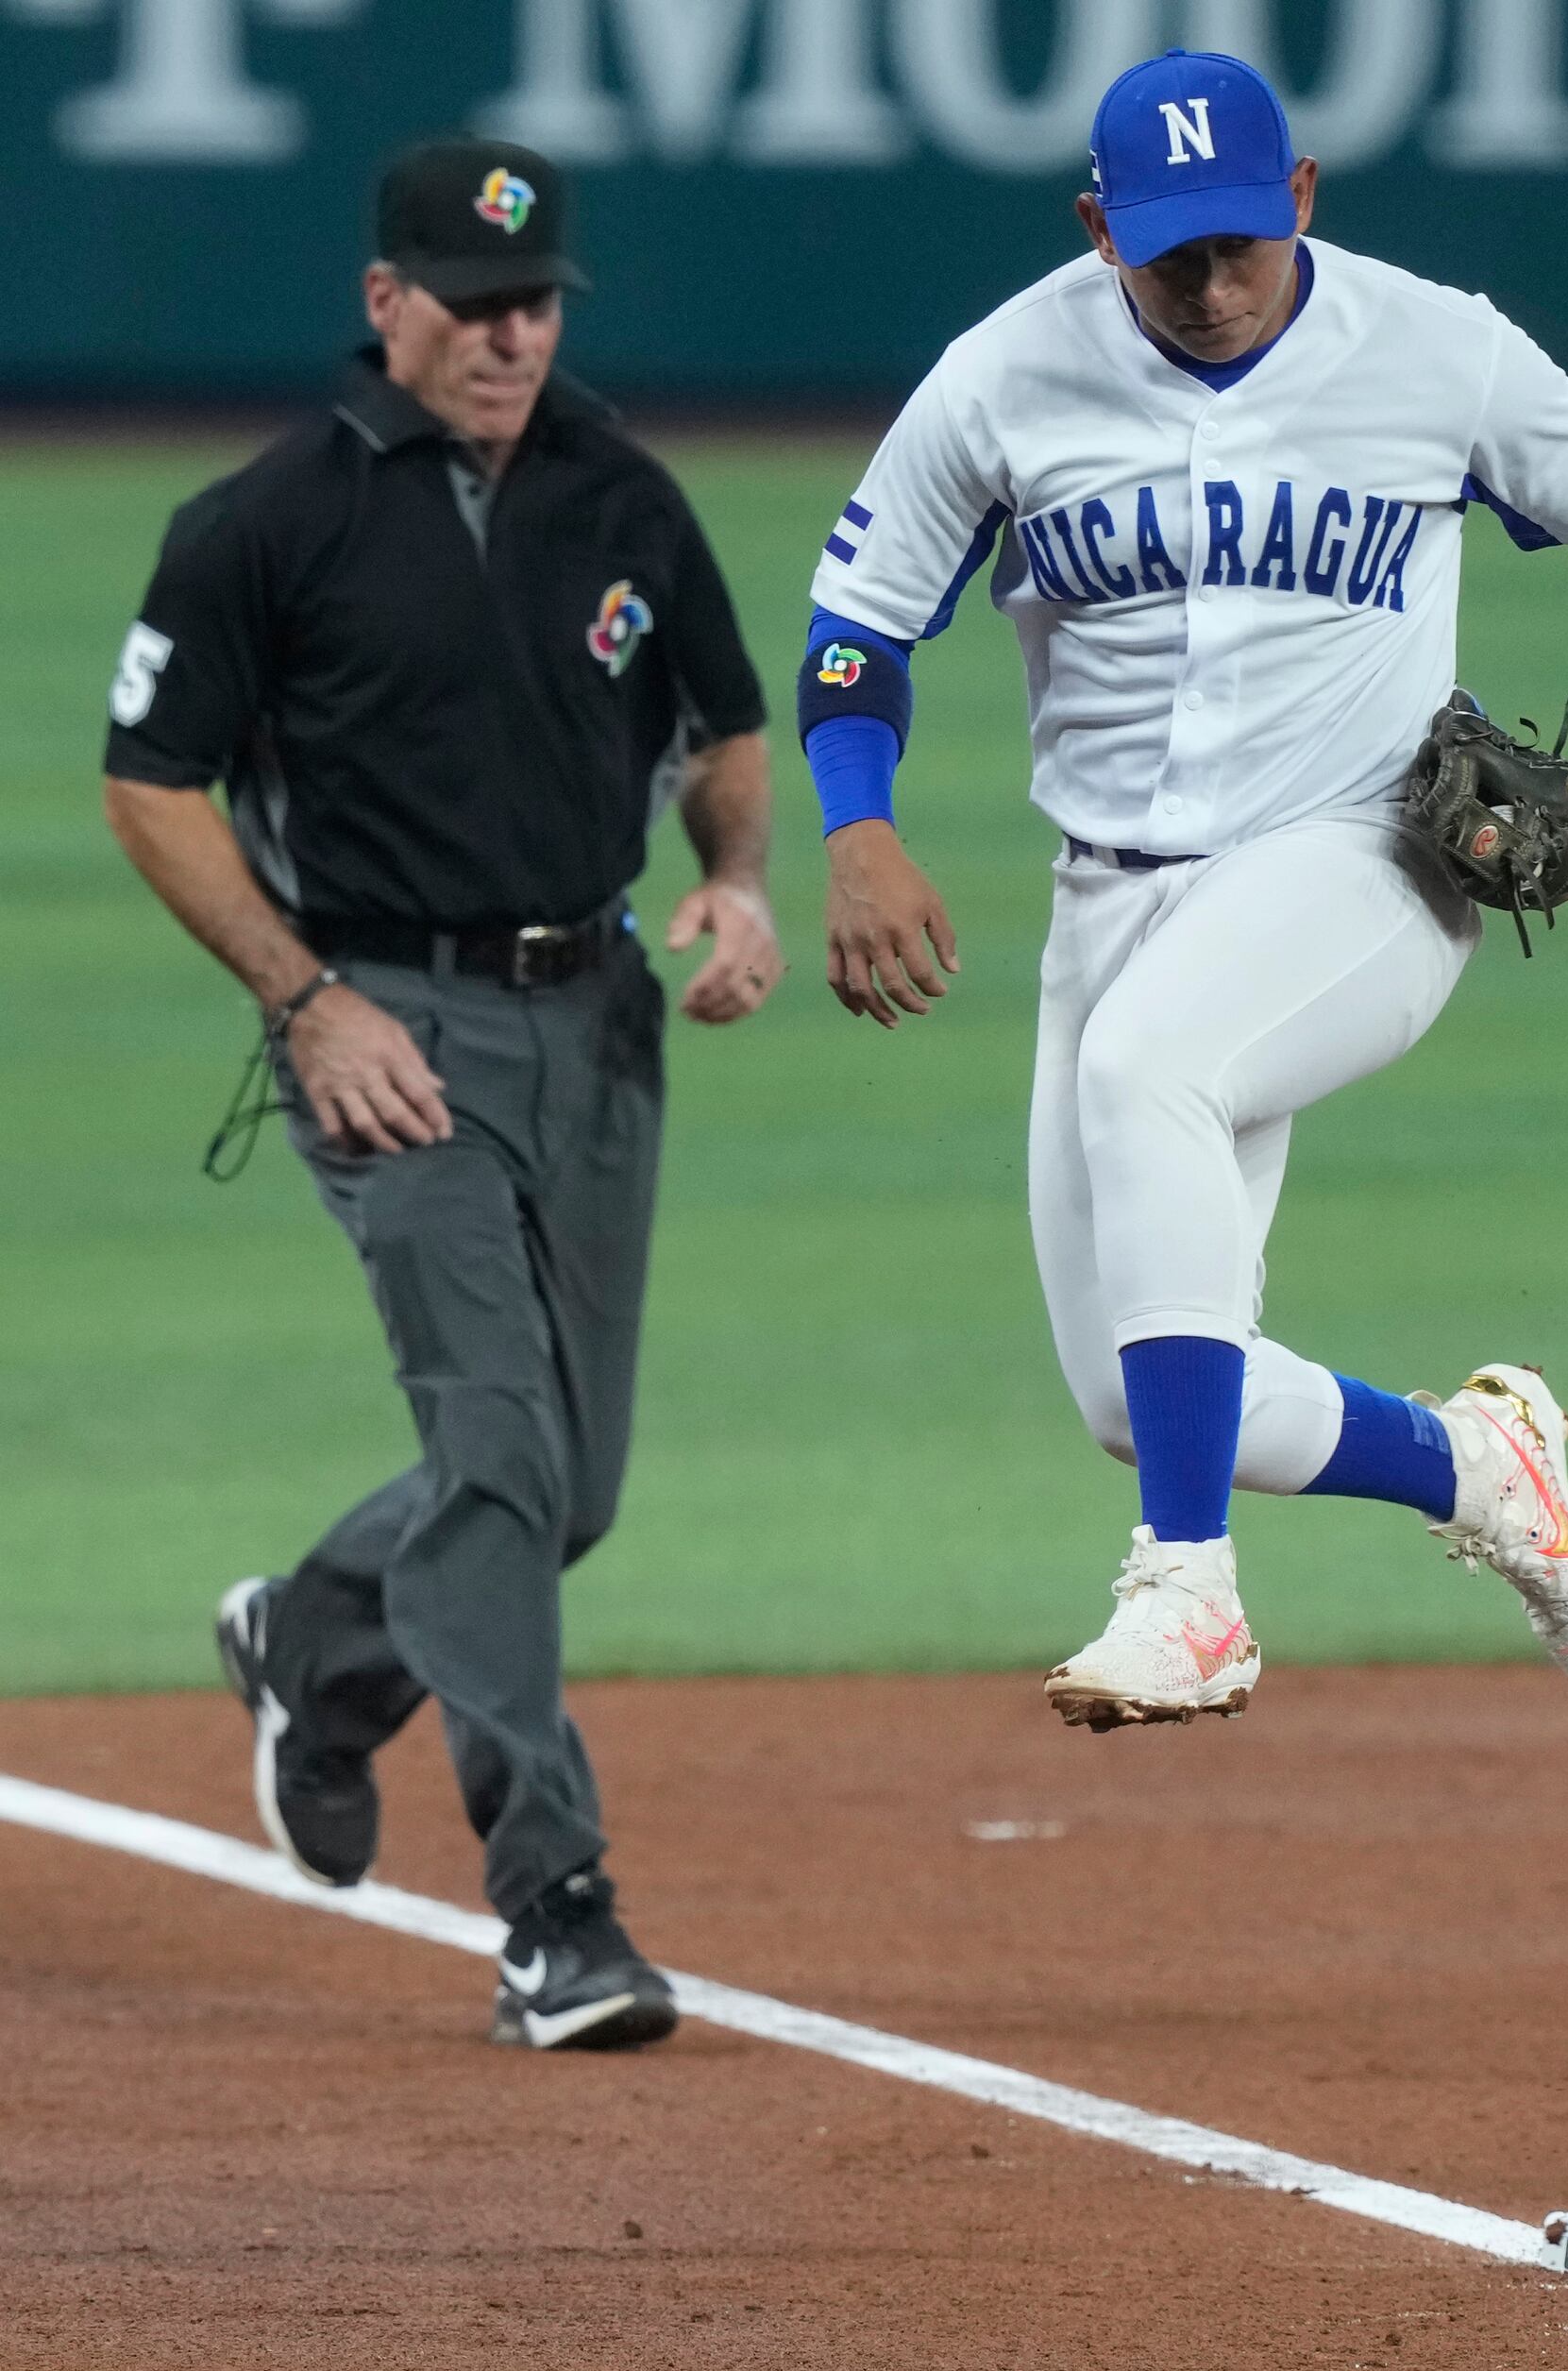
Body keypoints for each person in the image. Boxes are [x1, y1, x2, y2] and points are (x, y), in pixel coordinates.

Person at [796, 51, 1568, 1729]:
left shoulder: (1435, 347)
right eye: (1167, 255)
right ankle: (1482, 1468)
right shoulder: (1001, 375)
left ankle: (1190, 1596)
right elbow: (857, 632)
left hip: (1360, 866)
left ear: (1299, 197)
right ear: (1098, 229)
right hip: (1109, 898)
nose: (1210, 284)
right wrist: (859, 828)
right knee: (1137, 1393)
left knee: (1152, 1069)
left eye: (1237, 243)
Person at [101, 138, 778, 2051]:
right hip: (385, 1028)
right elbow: (149, 781)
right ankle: (558, 1913)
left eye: (535, 303)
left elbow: (723, 726)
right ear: (384, 300)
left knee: (568, 1487)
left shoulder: (623, 492)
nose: (510, 337)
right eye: (473, 306)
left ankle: (320, 1638)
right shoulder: (268, 520)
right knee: (497, 1448)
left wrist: (736, 881)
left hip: (600, 1022)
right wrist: (306, 1000)